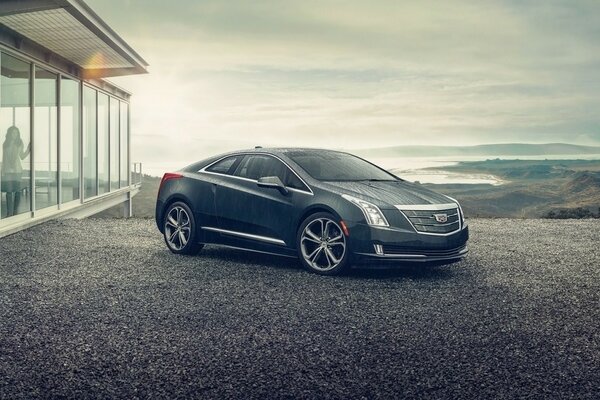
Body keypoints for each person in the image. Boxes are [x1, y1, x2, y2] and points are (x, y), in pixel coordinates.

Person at [1, 126, 30, 217]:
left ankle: (15, 211)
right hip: (7, 170)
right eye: (13, 133)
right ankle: (9, 213)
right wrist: (2, 170)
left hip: (17, 170)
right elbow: (4, 158)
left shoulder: (19, 143)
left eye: (16, 133)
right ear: (10, 133)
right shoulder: (5, 144)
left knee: (17, 191)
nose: (15, 134)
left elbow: (22, 156)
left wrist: (29, 149)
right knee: (9, 192)